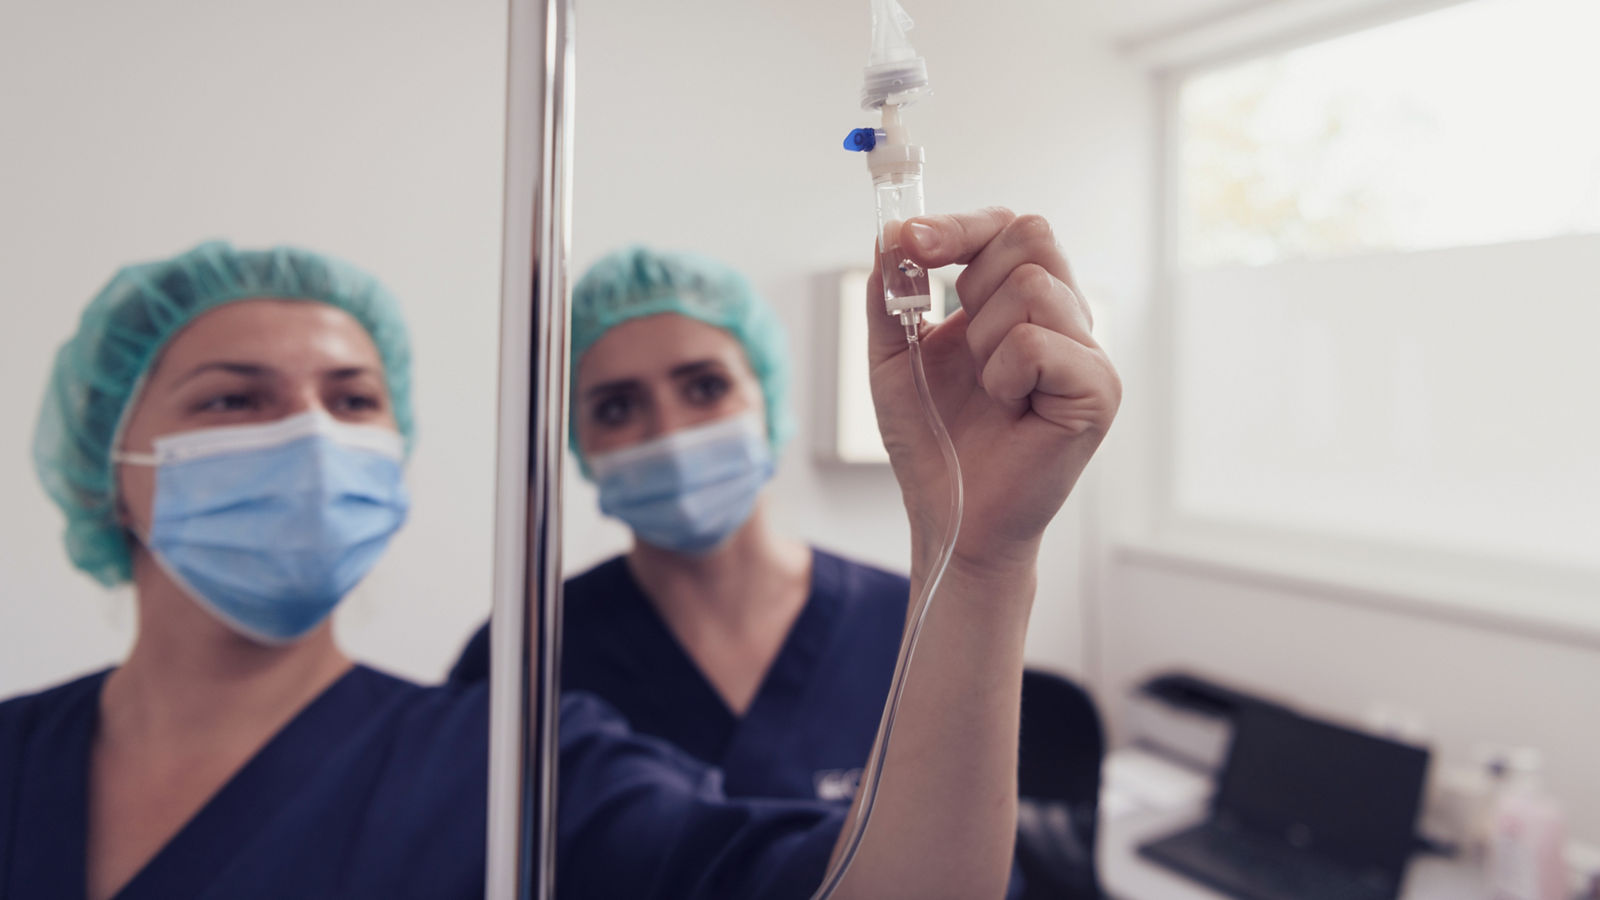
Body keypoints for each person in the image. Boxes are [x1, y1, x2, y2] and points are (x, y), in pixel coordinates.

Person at [0, 206, 1118, 899]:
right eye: (235, 399)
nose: (309, 436)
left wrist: (972, 562)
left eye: (351, 399)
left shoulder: (511, 762)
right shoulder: (19, 756)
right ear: (111, 465)